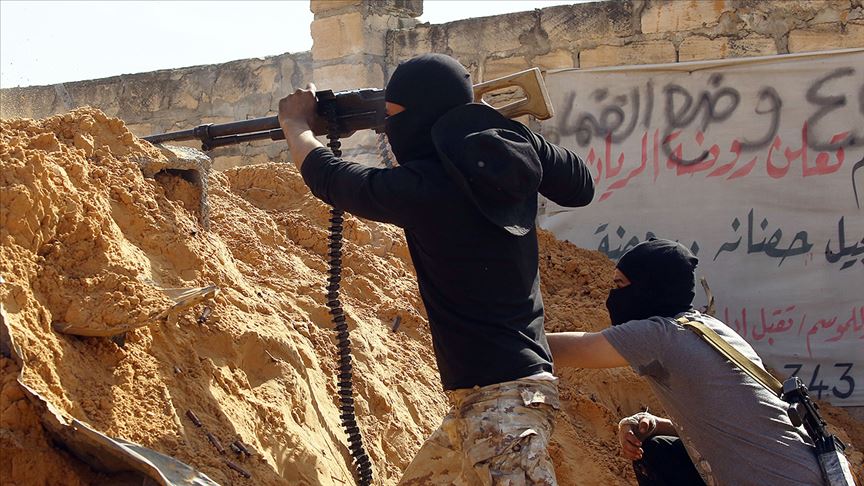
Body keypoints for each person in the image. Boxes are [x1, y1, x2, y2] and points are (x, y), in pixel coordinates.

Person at [277, 53, 594, 485]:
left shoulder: (428, 187)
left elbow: (336, 179)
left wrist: (295, 125)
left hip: (502, 406)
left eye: (392, 117)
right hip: (490, 398)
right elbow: (580, 185)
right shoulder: (502, 161)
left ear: (420, 118)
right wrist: (489, 125)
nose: (388, 128)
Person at [546, 238, 824, 486]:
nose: (613, 295)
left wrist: (518, 324)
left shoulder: (659, 335)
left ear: (648, 288)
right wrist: (655, 423)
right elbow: (737, 429)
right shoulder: (711, 329)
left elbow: (562, 349)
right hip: (808, 472)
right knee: (659, 450)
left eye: (620, 285)